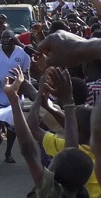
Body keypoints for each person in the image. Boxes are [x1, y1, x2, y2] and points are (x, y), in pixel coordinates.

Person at [5, 66, 93, 198]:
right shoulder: (81, 191)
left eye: (53, 160)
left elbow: (28, 149)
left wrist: (14, 99)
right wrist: (68, 100)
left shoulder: (51, 192)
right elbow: (72, 148)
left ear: (53, 172)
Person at [26, 69, 99, 197]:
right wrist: (61, 104)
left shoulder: (69, 152)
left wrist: (39, 97)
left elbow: (31, 128)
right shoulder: (94, 153)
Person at [0, 29, 31, 164]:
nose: (4, 41)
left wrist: (23, 84)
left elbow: (26, 73)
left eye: (8, 38)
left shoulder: (22, 53)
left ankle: (8, 152)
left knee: (12, 124)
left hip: (15, 93)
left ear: (13, 39)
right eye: (2, 38)